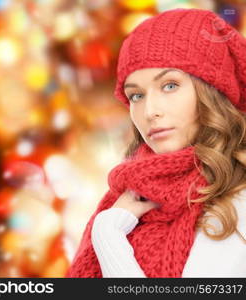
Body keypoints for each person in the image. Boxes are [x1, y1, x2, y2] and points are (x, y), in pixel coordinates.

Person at [65, 8, 246, 278]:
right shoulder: (133, 194)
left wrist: (108, 234)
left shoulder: (236, 203)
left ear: (212, 90)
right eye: (136, 95)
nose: (150, 111)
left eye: (170, 85)